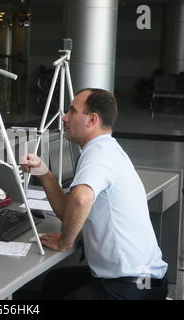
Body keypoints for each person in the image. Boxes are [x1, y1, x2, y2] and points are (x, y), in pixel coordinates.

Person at [21, 88, 168, 300]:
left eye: (72, 111)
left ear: (92, 120)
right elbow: (68, 209)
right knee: (54, 283)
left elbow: (81, 200)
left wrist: (65, 241)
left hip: (134, 286)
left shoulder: (98, 153)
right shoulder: (107, 148)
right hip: (143, 280)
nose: (64, 117)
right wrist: (43, 173)